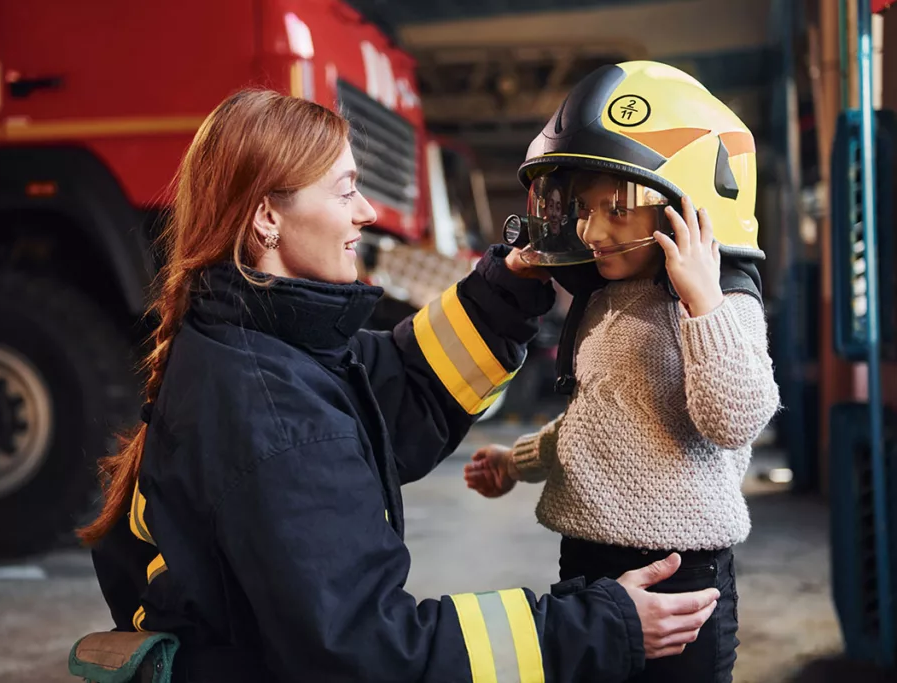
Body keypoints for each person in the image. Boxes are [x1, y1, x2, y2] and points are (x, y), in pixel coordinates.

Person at [77, 88, 720, 683]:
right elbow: (373, 651)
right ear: (267, 218)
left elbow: (396, 389)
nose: (366, 211)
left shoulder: (253, 342)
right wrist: (599, 627)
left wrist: (506, 294)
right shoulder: (273, 417)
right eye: (345, 189)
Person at [465, 61, 780, 683]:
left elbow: (736, 419)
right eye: (583, 207)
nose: (591, 229)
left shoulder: (723, 304)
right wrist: (516, 460)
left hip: (677, 573)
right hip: (585, 563)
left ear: (684, 206)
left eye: (617, 207)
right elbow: (598, 426)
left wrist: (703, 304)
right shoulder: (606, 302)